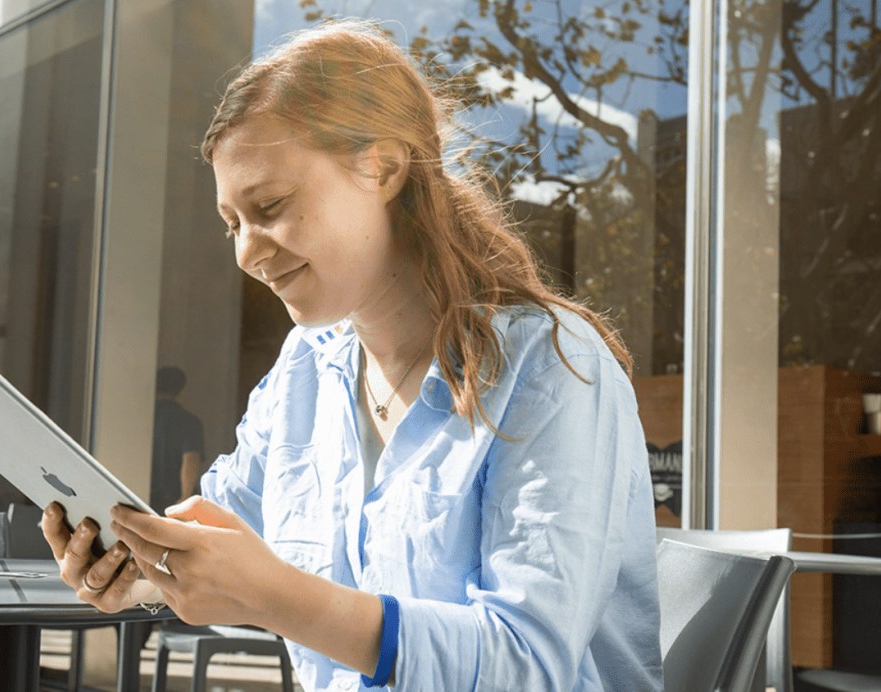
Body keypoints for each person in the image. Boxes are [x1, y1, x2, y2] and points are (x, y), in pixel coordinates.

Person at [43, 19, 663, 691]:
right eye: (233, 224)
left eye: (270, 206)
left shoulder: (551, 368)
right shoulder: (305, 368)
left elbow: (525, 664)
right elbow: (222, 536)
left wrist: (276, 596)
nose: (247, 253)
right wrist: (137, 572)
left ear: (383, 167)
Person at [150, 365, 204, 515]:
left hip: (138, 492)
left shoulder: (144, 418)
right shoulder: (189, 421)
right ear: (180, 390)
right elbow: (191, 459)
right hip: (171, 500)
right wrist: (185, 497)